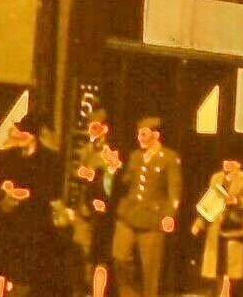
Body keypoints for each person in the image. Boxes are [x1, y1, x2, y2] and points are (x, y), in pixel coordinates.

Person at [0, 115, 64, 297]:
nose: (18, 136)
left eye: (23, 132)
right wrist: (4, 186)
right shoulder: (8, 157)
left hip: (32, 223)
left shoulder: (49, 160)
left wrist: (29, 194)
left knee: (23, 272)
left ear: (32, 135)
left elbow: (52, 191)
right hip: (7, 220)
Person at [112, 117, 182, 297]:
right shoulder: (135, 156)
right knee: (119, 256)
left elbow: (174, 191)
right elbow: (126, 181)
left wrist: (169, 215)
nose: (139, 137)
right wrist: (116, 167)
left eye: (144, 134)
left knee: (151, 269)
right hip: (129, 214)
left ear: (156, 135)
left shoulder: (169, 157)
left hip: (152, 218)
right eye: (138, 133)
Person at [191, 152, 243, 297]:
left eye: (231, 161)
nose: (227, 164)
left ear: (238, 164)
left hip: (235, 228)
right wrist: (199, 224)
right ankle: (221, 292)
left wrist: (237, 201)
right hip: (216, 228)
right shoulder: (216, 178)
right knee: (218, 265)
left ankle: (228, 292)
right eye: (225, 161)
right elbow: (209, 202)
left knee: (232, 266)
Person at [73, 111, 118, 297]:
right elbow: (77, 172)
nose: (90, 131)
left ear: (104, 129)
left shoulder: (111, 152)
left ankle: (97, 293)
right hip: (84, 209)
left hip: (102, 211)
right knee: (82, 252)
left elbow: (112, 181)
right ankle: (83, 291)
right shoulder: (85, 150)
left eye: (94, 127)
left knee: (99, 256)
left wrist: (95, 174)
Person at [82, 143, 126, 297]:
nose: (104, 154)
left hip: (117, 224)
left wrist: (109, 205)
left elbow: (125, 197)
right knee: (99, 260)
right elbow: (88, 195)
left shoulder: (124, 175)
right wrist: (94, 202)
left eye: (107, 151)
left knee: (114, 263)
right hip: (100, 225)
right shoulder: (99, 173)